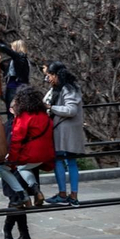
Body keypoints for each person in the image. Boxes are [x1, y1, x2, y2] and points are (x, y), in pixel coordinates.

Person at [2, 87, 54, 239]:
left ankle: (10, 231)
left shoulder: (20, 119)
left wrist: (11, 160)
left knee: (16, 199)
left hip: (21, 159)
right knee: (17, 200)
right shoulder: (43, 115)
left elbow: (16, 141)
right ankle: (21, 234)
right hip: (36, 161)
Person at [44, 63, 85, 206]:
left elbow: (71, 110)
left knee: (61, 160)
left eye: (49, 75)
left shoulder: (67, 88)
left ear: (56, 75)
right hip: (65, 129)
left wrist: (51, 108)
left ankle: (66, 195)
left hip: (64, 130)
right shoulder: (66, 87)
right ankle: (71, 195)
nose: (48, 78)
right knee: (69, 162)